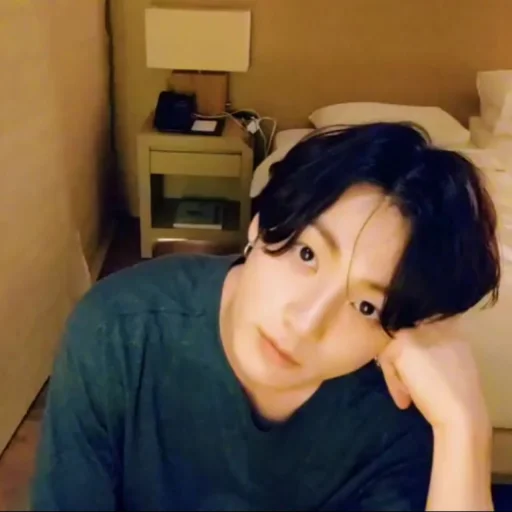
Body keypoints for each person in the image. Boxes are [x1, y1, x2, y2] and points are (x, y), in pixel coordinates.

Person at [31, 122, 500, 511]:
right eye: (306, 253)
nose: (306, 322)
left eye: (366, 307)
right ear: (259, 225)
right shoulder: (120, 332)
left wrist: (463, 430)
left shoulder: (396, 413)